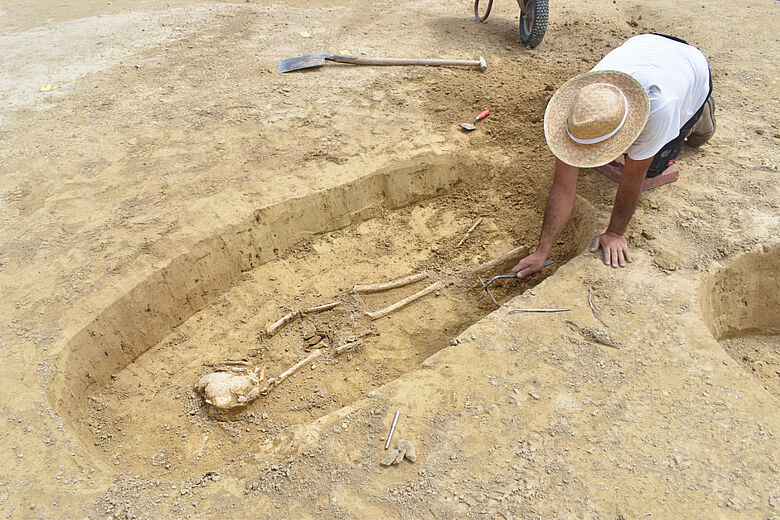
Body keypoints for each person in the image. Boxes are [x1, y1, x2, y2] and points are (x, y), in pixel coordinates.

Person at [512, 33, 715, 277]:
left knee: (651, 168)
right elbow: (563, 187)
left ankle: (700, 116)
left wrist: (615, 233)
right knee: (601, 152)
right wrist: (541, 251)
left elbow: (633, 178)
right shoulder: (583, 107)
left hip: (690, 70)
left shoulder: (659, 109)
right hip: (645, 44)